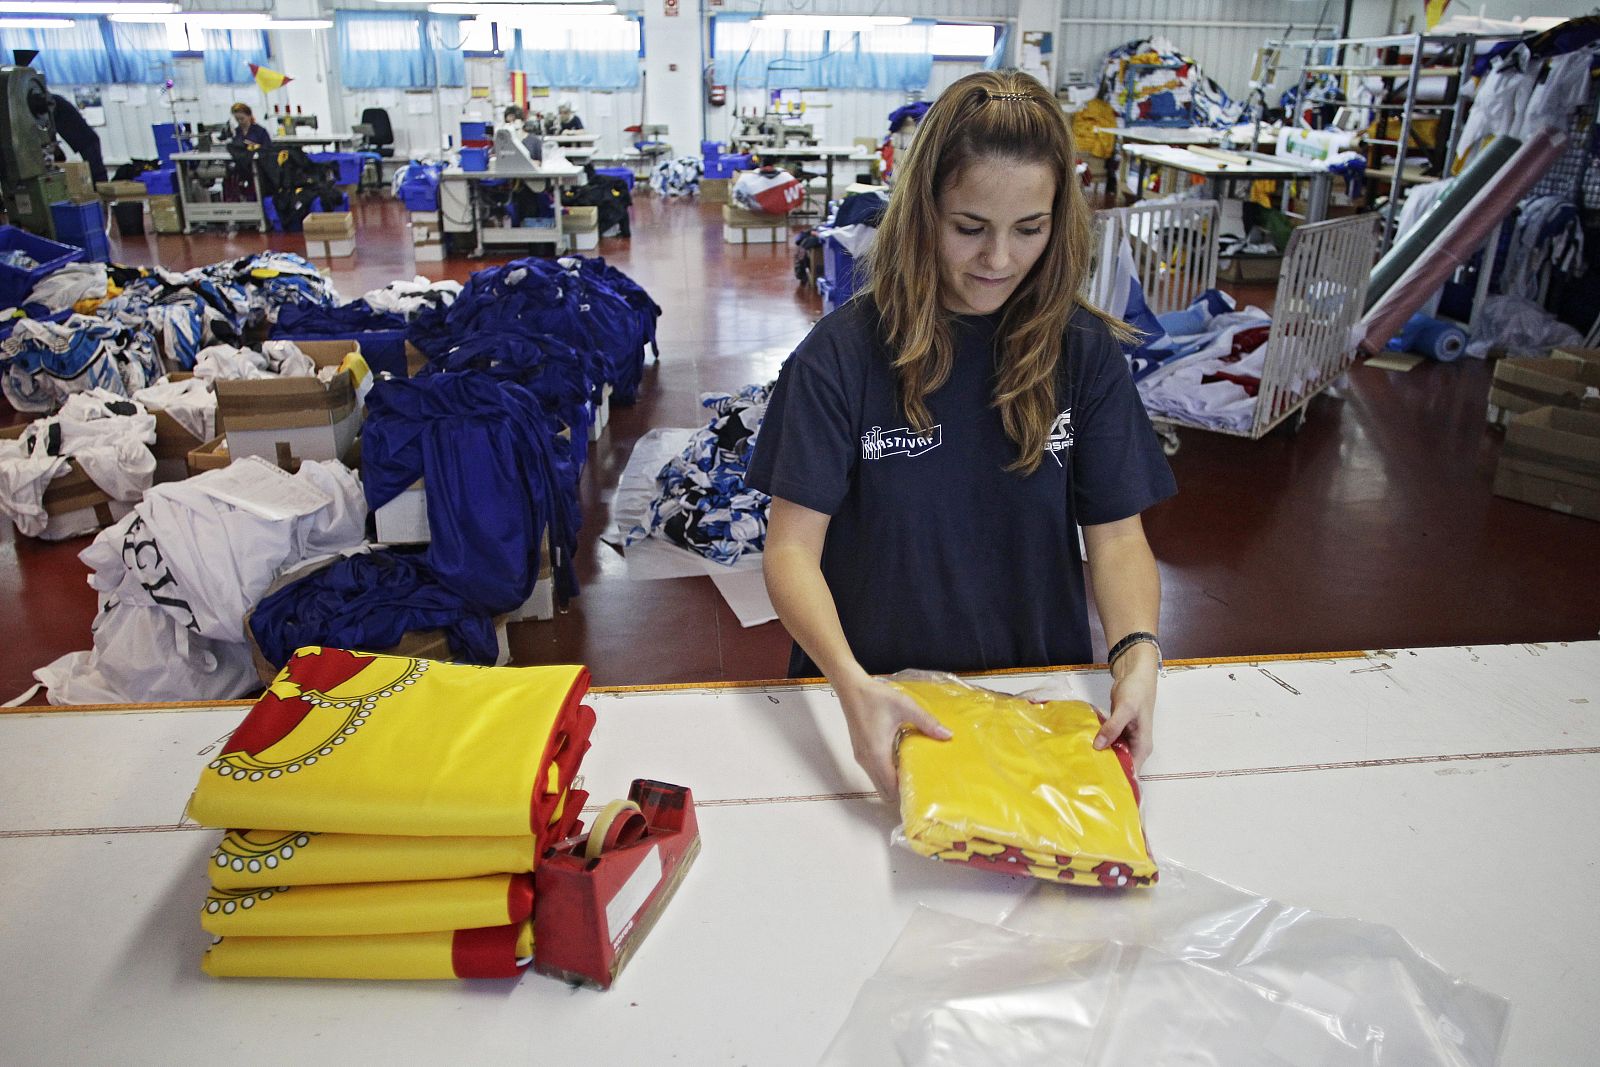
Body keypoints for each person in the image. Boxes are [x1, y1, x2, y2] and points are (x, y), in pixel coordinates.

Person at [747, 70, 1176, 799]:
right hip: (877, 697)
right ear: (923, 211)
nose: (999, 260)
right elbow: (790, 550)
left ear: (1059, 221)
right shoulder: (842, 355)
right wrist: (851, 684)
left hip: (1035, 699)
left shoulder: (1083, 353)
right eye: (970, 228)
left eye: (1029, 229)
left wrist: (1137, 654)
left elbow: (1117, 536)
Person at [50, 94, 107, 184]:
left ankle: (103, 195)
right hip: (84, 140)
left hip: (87, 140)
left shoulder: (52, 102)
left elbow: (49, 127)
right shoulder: (54, 101)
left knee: (96, 172)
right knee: (96, 171)